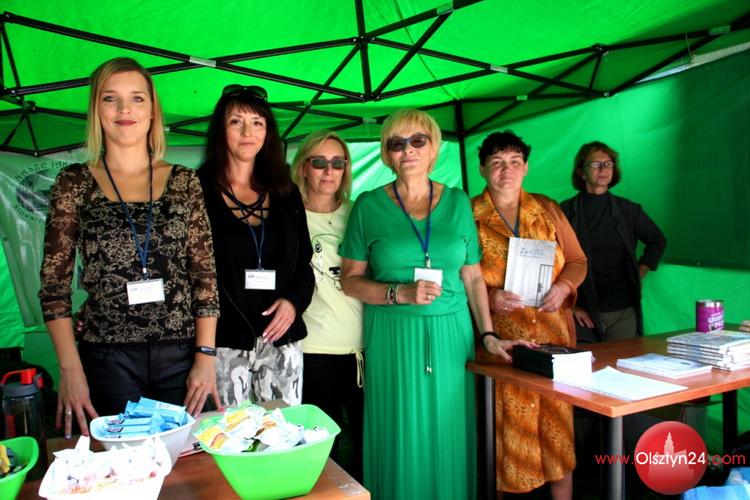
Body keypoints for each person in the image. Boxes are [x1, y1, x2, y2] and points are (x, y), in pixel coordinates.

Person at [340, 109, 530, 499]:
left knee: (449, 427)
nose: (407, 150)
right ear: (386, 154)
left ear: (433, 149)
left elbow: (472, 277)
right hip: (393, 335)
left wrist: (488, 335)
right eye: (397, 143)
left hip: (451, 336)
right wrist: (400, 293)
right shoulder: (367, 206)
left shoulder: (458, 202)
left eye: (417, 141)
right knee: (400, 429)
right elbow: (350, 280)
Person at [39, 57, 221, 439]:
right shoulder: (74, 183)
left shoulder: (184, 182)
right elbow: (54, 287)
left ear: (153, 110)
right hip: (108, 359)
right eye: (111, 98)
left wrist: (205, 356)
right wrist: (71, 370)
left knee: (186, 465)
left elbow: (204, 276)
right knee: (121, 465)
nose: (125, 109)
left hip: (181, 355)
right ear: (96, 109)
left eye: (137, 98)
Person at [472, 130, 587, 499]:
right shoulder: (469, 215)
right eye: (496, 163)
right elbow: (460, 277)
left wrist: (564, 287)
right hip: (505, 350)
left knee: (559, 440)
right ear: (482, 169)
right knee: (507, 443)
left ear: (526, 167)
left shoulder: (547, 208)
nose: (506, 170)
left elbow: (577, 261)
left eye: (514, 162)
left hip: (554, 344)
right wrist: (491, 296)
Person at [197, 84, 314, 407]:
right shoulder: (197, 189)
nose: (247, 132)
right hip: (222, 340)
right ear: (220, 130)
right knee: (225, 432)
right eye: (236, 122)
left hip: (281, 339)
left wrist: (293, 303)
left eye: (257, 123)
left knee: (282, 430)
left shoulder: (286, 191)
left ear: (268, 132)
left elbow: (304, 264)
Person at [291, 130, 364, 480]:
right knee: (321, 455)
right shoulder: (289, 216)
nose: (329, 171)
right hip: (314, 353)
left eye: (338, 163)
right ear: (303, 168)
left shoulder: (359, 212)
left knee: (368, 447)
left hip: (362, 352)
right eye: (319, 162)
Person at [560, 141, 666, 343]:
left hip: (623, 310)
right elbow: (550, 261)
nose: (603, 169)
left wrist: (638, 274)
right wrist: (570, 306)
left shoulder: (629, 210)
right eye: (595, 164)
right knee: (584, 361)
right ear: (581, 172)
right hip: (583, 311)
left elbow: (657, 241)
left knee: (622, 360)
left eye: (608, 164)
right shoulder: (564, 212)